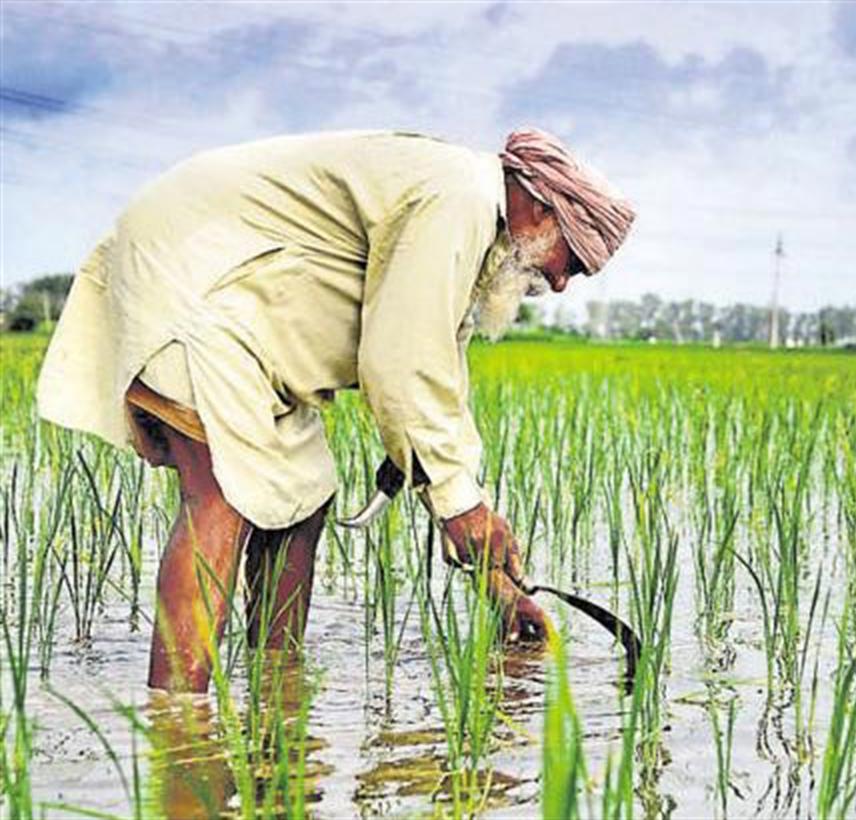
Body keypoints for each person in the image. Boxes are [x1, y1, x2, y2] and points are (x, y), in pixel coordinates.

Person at [36, 128, 635, 693]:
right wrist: (463, 508)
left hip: (249, 327)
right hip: (194, 285)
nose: (559, 285)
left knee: (305, 496)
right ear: (539, 210)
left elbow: (437, 390)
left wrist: (499, 584)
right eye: (573, 262)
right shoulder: (458, 200)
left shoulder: (466, 226)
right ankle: (178, 719)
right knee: (221, 494)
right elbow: (401, 361)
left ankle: (276, 687)